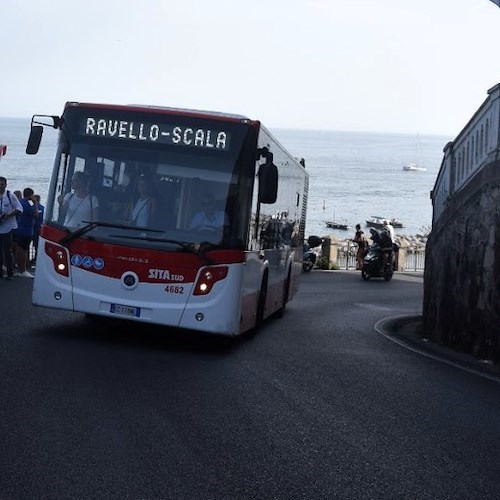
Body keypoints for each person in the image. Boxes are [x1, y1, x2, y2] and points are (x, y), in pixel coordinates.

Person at [0, 176, 23, 280]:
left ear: (5, 185)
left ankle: (10, 273)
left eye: (2, 184)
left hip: (8, 228)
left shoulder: (10, 195)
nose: (0, 186)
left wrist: (8, 215)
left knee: (7, 251)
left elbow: (19, 209)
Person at [13, 187, 38, 278]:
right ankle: (23, 270)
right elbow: (36, 214)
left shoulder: (20, 202)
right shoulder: (28, 205)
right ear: (31, 195)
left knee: (19, 249)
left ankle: (18, 268)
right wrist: (35, 203)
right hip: (26, 231)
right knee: (24, 250)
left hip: (19, 229)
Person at [32, 194, 44, 263]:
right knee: (37, 244)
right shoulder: (43, 208)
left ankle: (32, 259)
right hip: (39, 227)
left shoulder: (32, 208)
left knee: (33, 244)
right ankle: (36, 257)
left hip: (33, 227)